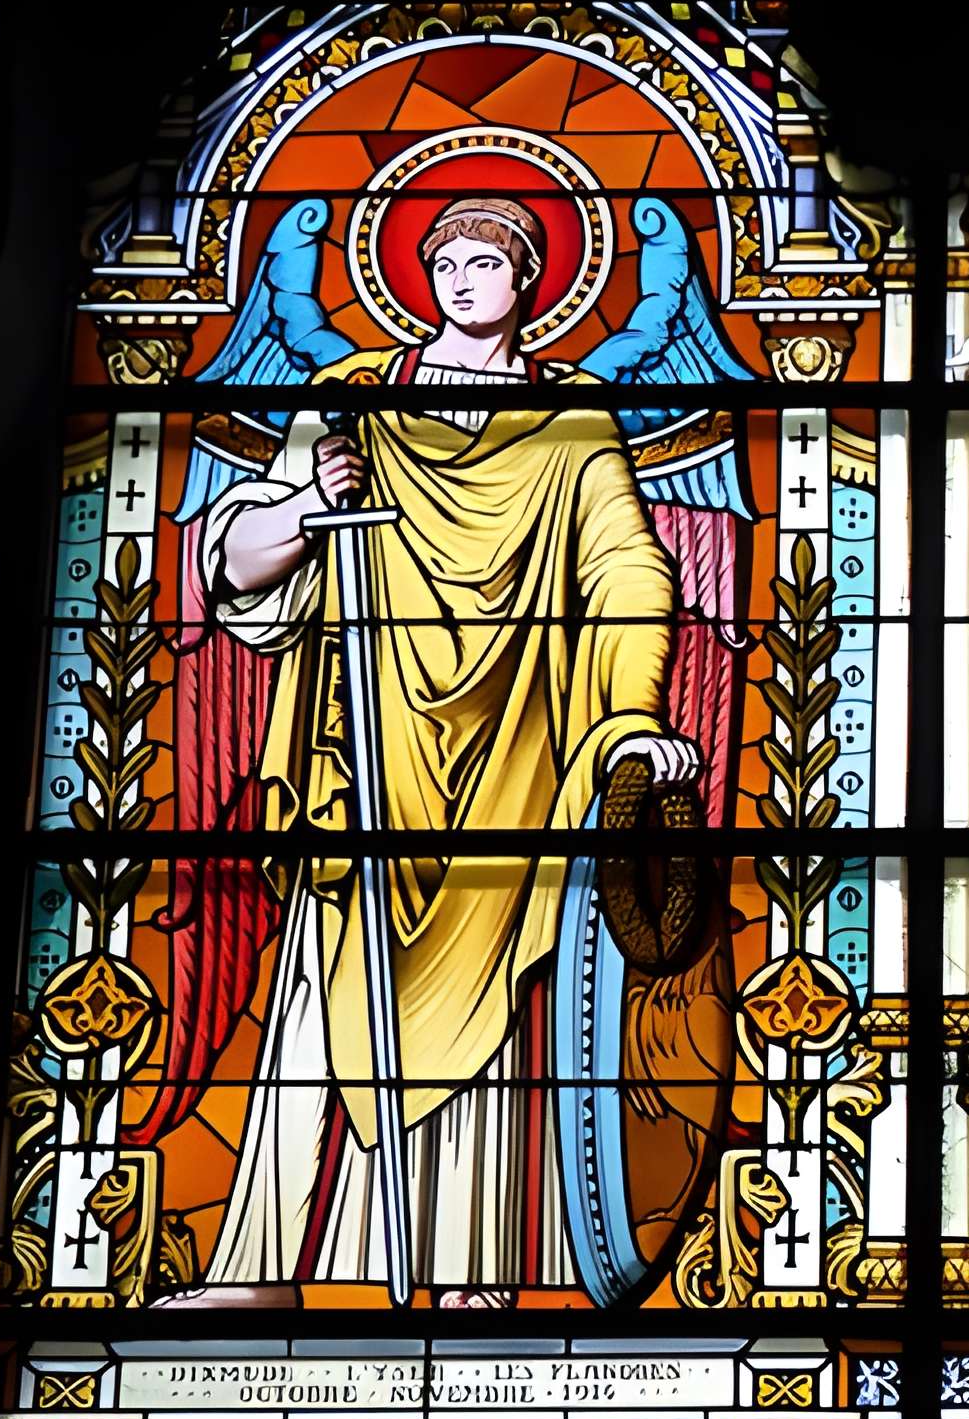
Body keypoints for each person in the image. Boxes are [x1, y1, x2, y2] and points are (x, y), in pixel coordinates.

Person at [191, 193, 717, 1302]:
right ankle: (267, 1267)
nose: (465, 279)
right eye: (448, 261)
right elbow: (236, 565)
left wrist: (629, 716)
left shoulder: (571, 421)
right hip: (364, 746)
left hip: (519, 745)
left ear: (530, 282)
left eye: (490, 261)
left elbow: (626, 567)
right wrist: (308, 509)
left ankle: (472, 1269)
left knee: (500, 998)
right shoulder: (352, 409)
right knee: (323, 989)